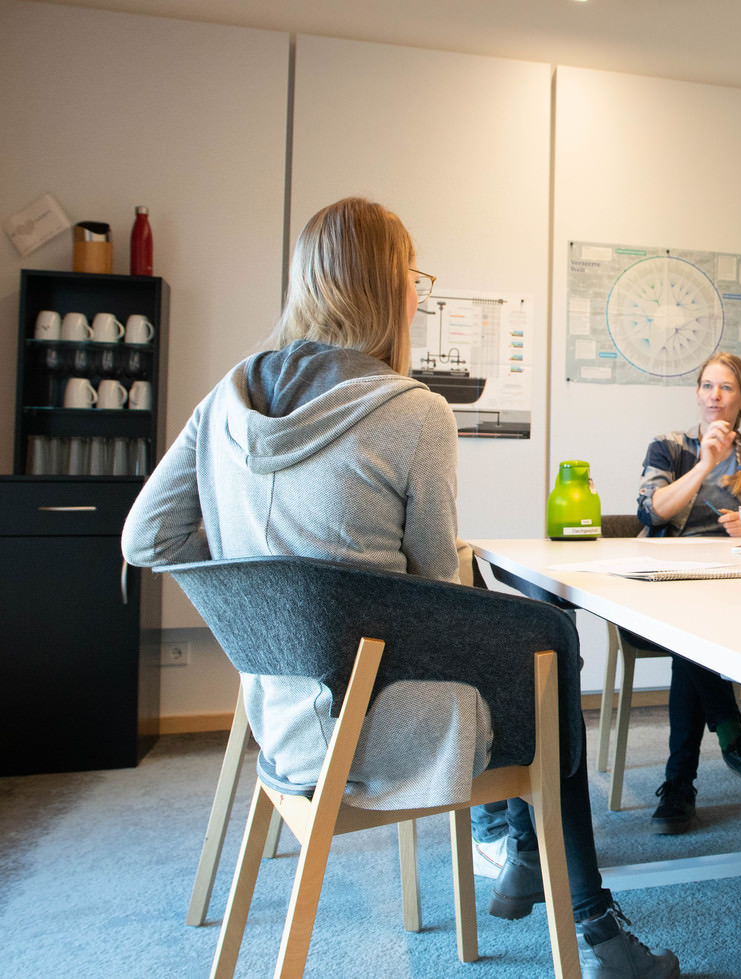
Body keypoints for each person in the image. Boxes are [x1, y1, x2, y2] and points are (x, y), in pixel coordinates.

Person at [120, 197, 677, 979]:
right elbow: (434, 582)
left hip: (278, 712)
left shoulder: (225, 401)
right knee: (549, 644)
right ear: (387, 286)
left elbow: (144, 537)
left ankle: (527, 859)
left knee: (518, 634)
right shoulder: (413, 411)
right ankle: (590, 917)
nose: (419, 291)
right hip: (375, 726)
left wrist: (268, 590)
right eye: (414, 274)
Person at [625, 352, 741, 834]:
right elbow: (649, 514)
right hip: (655, 588)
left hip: (727, 590)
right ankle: (732, 739)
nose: (714, 396)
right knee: (688, 632)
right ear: (698, 394)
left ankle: (680, 784)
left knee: (693, 634)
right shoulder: (669, 447)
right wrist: (705, 466)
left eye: (726, 388)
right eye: (706, 386)